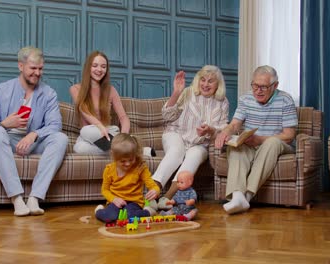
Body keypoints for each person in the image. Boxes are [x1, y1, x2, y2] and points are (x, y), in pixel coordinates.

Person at [0, 46, 68, 216]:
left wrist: (34, 134)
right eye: (33, 68)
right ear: (21, 66)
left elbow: (55, 125)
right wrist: (4, 124)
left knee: (61, 138)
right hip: (5, 141)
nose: (37, 73)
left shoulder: (48, 93)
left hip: (31, 142)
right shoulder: (1, 90)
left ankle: (34, 197)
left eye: (40, 69)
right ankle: (16, 199)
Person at [214, 65, 298, 214]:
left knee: (272, 142)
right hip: (251, 144)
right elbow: (234, 125)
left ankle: (247, 196)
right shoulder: (245, 99)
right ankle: (237, 195)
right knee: (235, 146)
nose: (258, 91)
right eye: (255, 86)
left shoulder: (285, 100)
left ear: (275, 86)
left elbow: (289, 135)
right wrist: (224, 132)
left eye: (263, 87)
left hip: (278, 146)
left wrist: (260, 140)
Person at [154, 65, 229, 209]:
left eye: (210, 81)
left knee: (194, 156)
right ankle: (154, 190)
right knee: (177, 152)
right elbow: (167, 116)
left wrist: (210, 130)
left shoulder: (223, 102)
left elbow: (223, 128)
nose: (205, 84)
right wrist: (176, 93)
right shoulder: (188, 92)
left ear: (218, 84)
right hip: (175, 134)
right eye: (203, 80)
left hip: (200, 143)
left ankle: (167, 197)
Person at [69, 51, 129, 154]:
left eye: (103, 66)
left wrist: (124, 136)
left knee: (113, 130)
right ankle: (128, 150)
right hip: (89, 134)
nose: (99, 70)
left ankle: (120, 145)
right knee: (79, 147)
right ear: (88, 67)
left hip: (108, 132)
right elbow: (83, 110)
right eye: (95, 65)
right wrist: (99, 126)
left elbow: (123, 117)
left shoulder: (111, 90)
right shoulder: (75, 89)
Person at [94, 133, 160, 223]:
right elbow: (105, 190)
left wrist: (155, 190)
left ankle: (147, 211)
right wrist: (114, 199)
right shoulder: (109, 170)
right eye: (123, 161)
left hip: (134, 202)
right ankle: (99, 211)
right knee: (110, 217)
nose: (128, 164)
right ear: (114, 156)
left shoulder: (140, 167)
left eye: (131, 159)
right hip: (115, 201)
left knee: (130, 217)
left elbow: (153, 185)